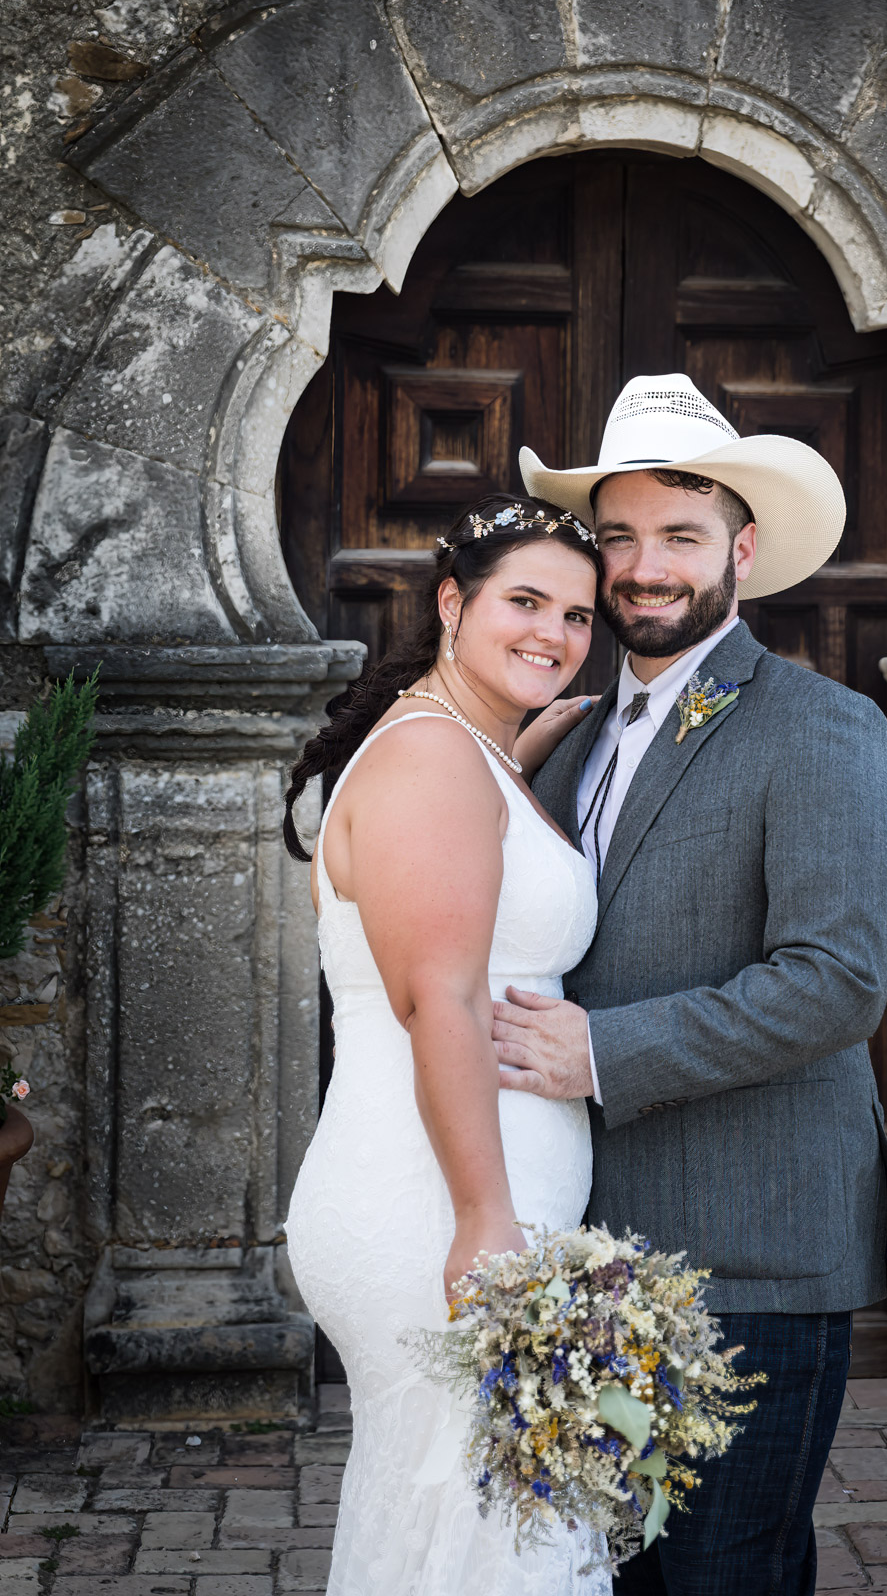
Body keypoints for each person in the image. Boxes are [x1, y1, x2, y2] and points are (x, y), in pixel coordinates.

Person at [490, 374, 887, 1596]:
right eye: (617, 537)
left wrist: (602, 1055)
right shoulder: (568, 735)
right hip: (596, 1248)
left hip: (759, 1247)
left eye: (679, 535)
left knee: (725, 1574)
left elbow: (835, 982)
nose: (643, 566)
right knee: (621, 1573)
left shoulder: (823, 728)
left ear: (741, 548)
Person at [281, 494, 611, 1596]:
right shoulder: (432, 763)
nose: (555, 635)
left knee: (461, 1530)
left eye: (577, 616)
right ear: (452, 602)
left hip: (462, 1198)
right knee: (481, 1534)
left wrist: (514, 749)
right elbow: (441, 1002)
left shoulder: (466, 752)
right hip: (438, 1206)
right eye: (525, 602)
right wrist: (484, 1221)